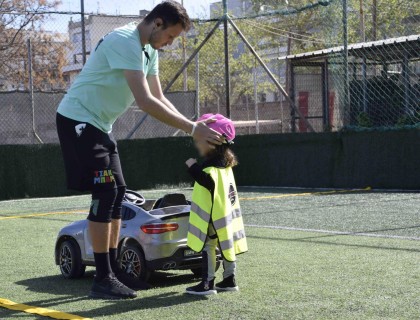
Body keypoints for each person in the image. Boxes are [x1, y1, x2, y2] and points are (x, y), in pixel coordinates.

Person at [56, 1, 223, 300]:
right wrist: (192, 128)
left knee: (118, 193)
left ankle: (115, 272)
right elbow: (144, 101)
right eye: (170, 36)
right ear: (157, 23)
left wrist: (194, 124)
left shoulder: (149, 50)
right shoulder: (124, 41)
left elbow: (159, 95)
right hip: (77, 120)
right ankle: (102, 278)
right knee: (105, 192)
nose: (169, 43)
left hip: (100, 125)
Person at [184, 114, 248, 296]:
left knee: (208, 246)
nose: (197, 144)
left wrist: (192, 167)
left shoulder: (211, 166)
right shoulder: (225, 164)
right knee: (227, 244)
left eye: (199, 141)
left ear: (213, 142)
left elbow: (208, 182)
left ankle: (207, 283)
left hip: (212, 216)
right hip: (224, 214)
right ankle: (229, 279)